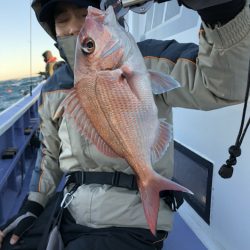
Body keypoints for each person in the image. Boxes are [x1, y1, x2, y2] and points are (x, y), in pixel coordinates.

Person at [0, 0, 249, 249]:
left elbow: (224, 85)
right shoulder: (54, 86)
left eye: (84, 13)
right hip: (70, 211)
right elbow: (48, 156)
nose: (75, 26)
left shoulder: (148, 58)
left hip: (131, 218)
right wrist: (33, 206)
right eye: (61, 19)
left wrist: (221, 10)